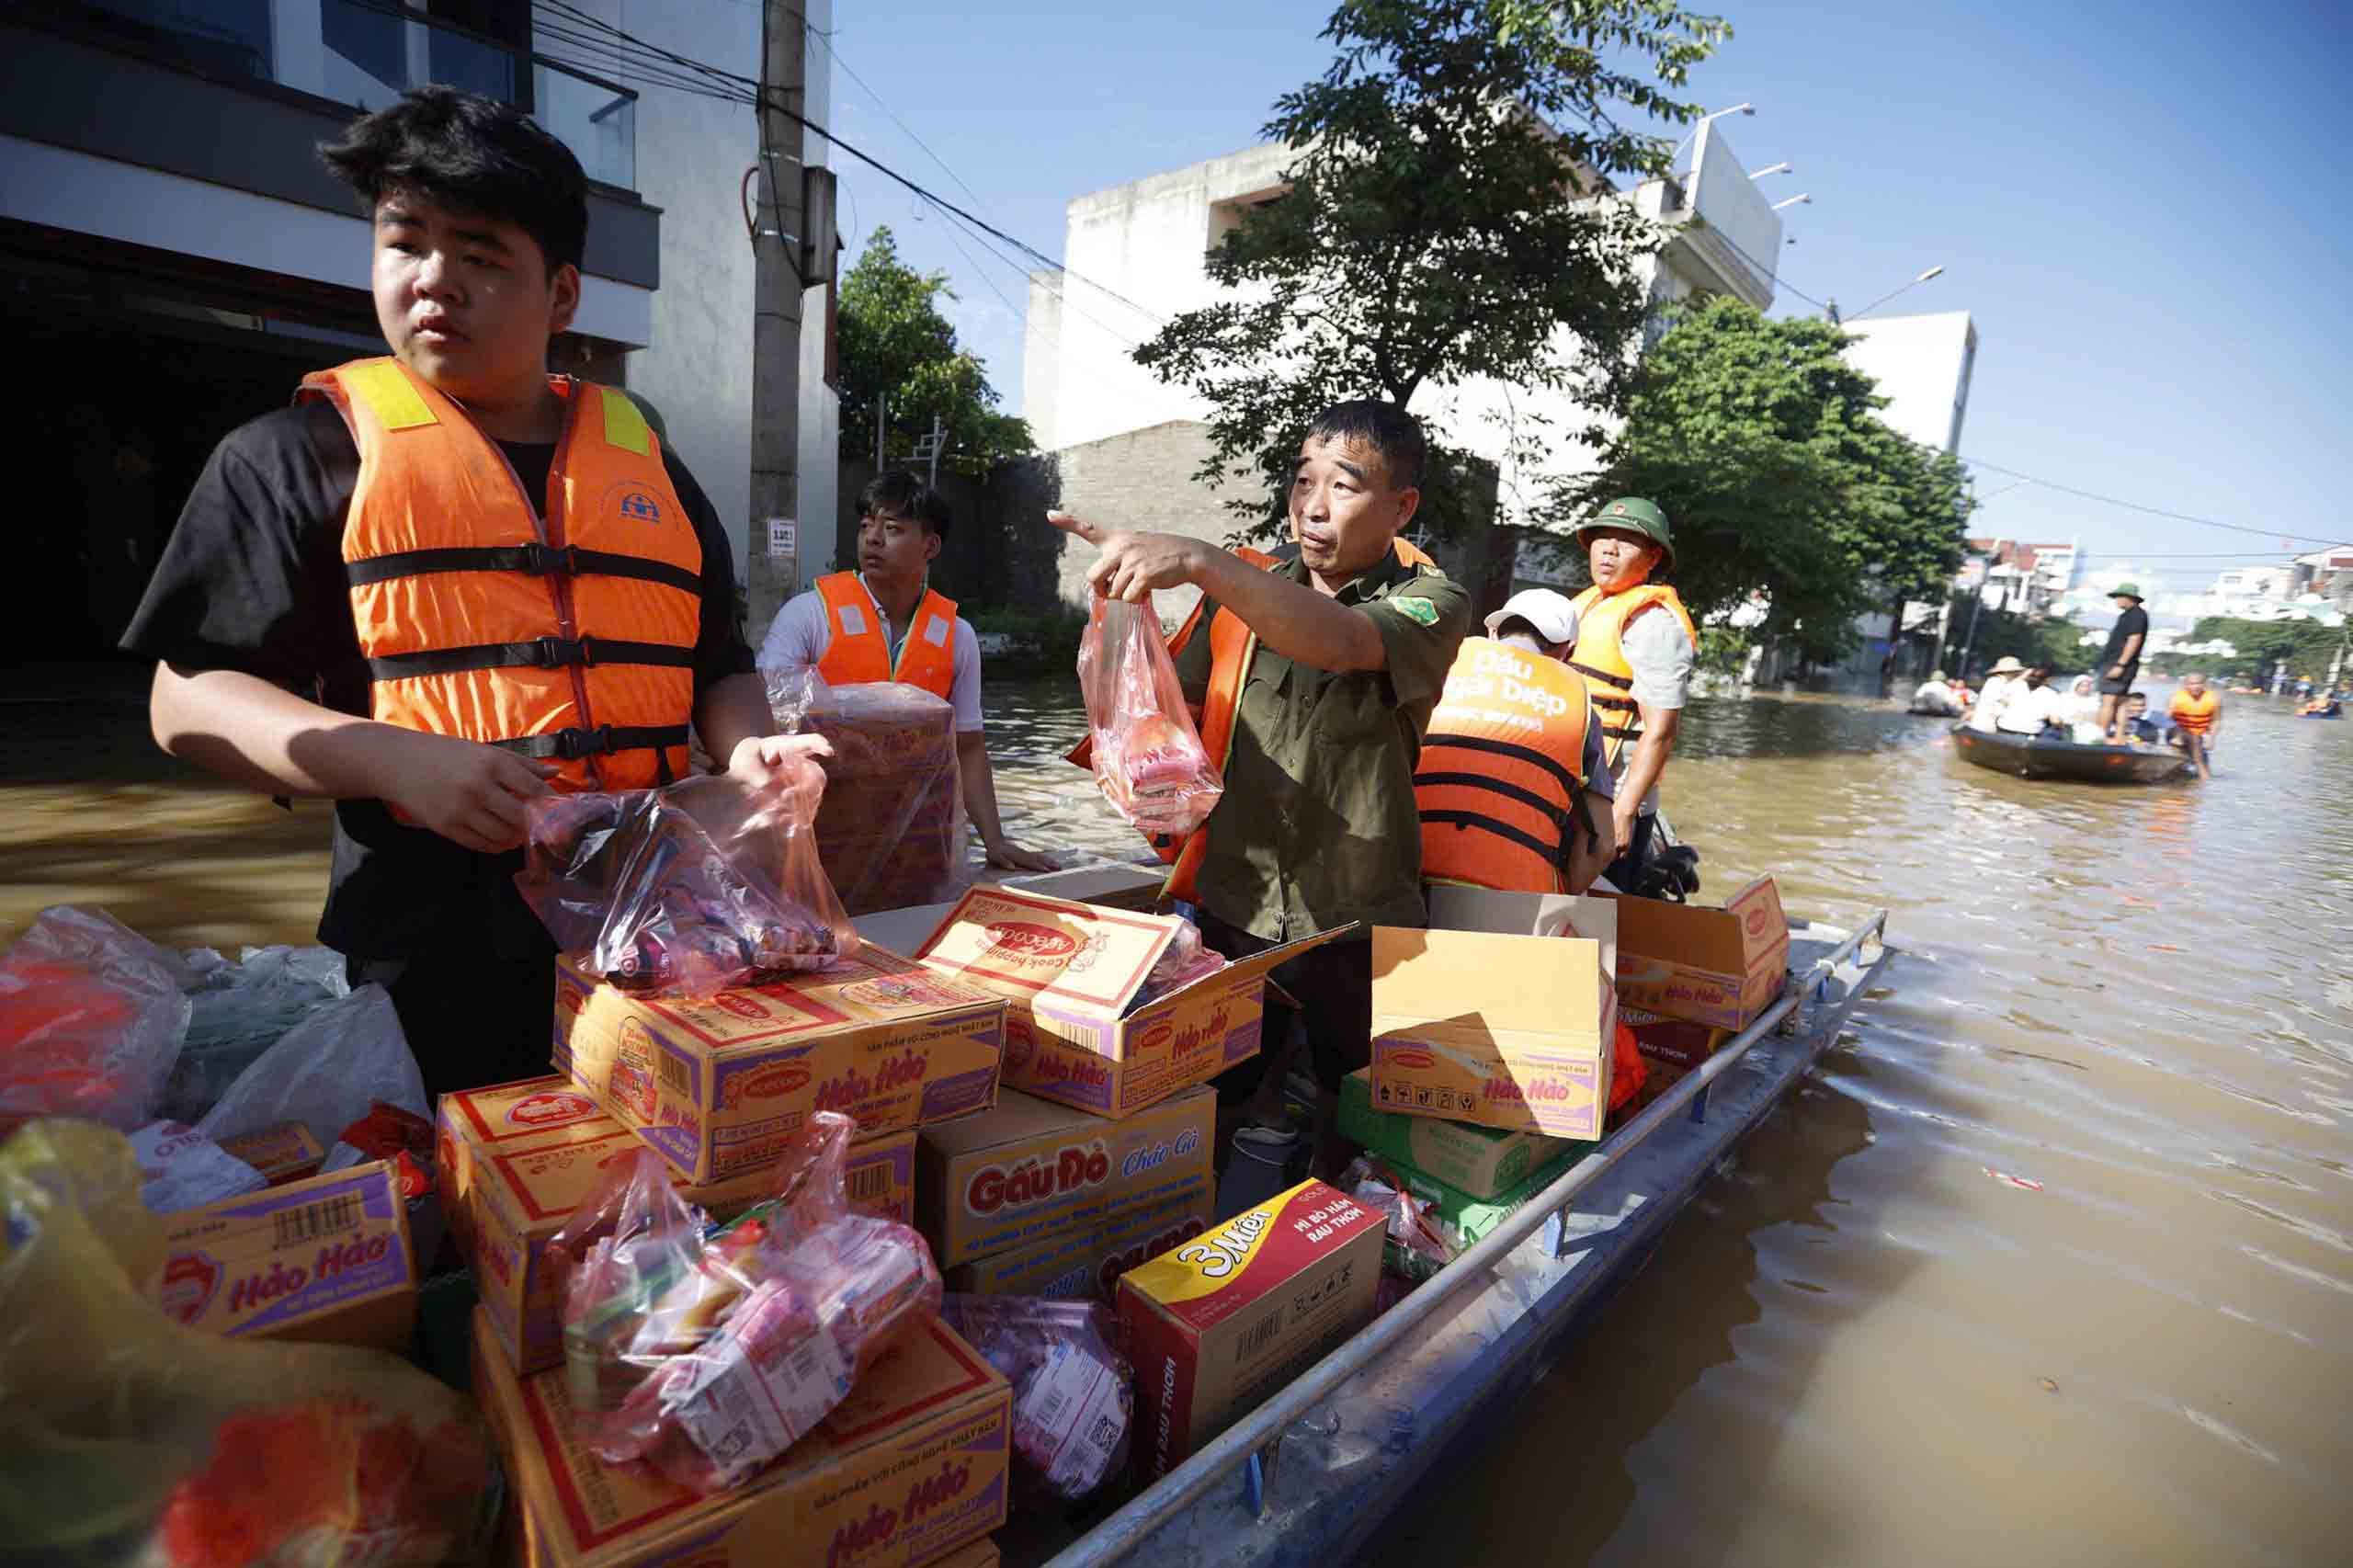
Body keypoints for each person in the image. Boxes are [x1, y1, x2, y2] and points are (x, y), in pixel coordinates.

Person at [119, 87, 811, 1098]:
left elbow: (718, 665)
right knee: (473, 1207)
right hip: (431, 948)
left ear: (561, 294)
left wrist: (750, 751)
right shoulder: (293, 456)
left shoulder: (649, 461)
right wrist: (395, 758)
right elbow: (184, 703)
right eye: (406, 243)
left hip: (661, 923)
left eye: (480, 254)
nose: (434, 281)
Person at [1049, 401, 1472, 1168]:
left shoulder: (1433, 601)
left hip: (1353, 915)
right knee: (1212, 1105)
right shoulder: (1240, 591)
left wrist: (1204, 560)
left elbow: (1341, 640)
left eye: (1343, 488)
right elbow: (1161, 720)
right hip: (1231, 903)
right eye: (1302, 481)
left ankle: (1339, 1251)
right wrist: (1122, 613)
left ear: (1401, 506)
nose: (1313, 507)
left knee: (1355, 1125)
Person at [759, 471, 1054, 871]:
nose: (873, 539)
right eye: (866, 527)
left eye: (893, 529)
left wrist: (995, 841)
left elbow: (967, 746)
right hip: (822, 832)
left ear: (930, 546)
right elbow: (763, 716)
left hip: (918, 839)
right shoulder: (809, 615)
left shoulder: (957, 636)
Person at [1415, 588, 1618, 897]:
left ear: (1493, 632)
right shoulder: (1580, 708)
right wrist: (1565, 896)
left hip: (1406, 875)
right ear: (1568, 650)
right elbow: (1602, 846)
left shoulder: (1438, 670)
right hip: (1513, 897)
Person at [1561, 497, 1697, 892]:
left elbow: (1661, 731)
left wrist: (1622, 813)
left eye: (1626, 541)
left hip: (1612, 800)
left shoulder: (1655, 625)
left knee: (1601, 924)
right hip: (1571, 787)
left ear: (1653, 557)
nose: (1609, 548)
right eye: (1602, 537)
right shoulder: (1584, 606)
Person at [2096, 584, 2150, 743]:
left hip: (2118, 664)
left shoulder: (2136, 615)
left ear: (2129, 598)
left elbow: (2134, 639)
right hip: (2121, 664)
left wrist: (2120, 665)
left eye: (2119, 597)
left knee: (2108, 701)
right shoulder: (2129, 615)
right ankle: (2119, 737)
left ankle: (2101, 737)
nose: (2117, 600)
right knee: (2121, 702)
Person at [2169, 673, 2222, 778]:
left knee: (2196, 741)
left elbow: (2216, 720)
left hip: (2200, 735)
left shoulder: (2213, 699)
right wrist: (2178, 736)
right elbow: (2167, 720)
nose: (2195, 687)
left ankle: (2204, 784)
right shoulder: (2176, 699)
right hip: (2179, 733)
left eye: (2199, 683)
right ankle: (2202, 776)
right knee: (2195, 748)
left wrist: (2211, 738)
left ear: (2204, 685)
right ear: (2185, 685)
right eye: (2191, 684)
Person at [1995, 665, 2068, 735]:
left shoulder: (2016, 685)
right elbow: (2055, 721)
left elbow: (2001, 698)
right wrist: (2062, 726)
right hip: (2030, 731)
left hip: (2003, 727)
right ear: (2048, 679)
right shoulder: (2052, 694)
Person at [1967, 656, 2029, 733]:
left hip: (1987, 725)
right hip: (1986, 726)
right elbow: (2006, 703)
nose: (2017, 674)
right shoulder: (1995, 682)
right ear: (2010, 672)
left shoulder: (2000, 683)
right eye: (2016, 672)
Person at [2061, 674, 2103, 743]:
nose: (2086, 688)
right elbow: (2065, 717)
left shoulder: (2095, 700)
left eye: (2088, 686)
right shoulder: (2066, 698)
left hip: (2093, 728)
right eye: (2083, 686)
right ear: (2076, 686)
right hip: (2072, 729)